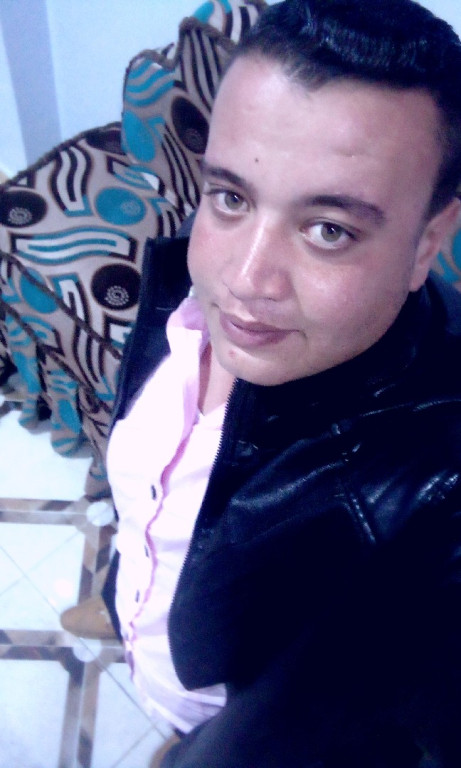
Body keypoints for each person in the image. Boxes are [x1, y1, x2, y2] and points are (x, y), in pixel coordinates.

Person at [66, 0, 461, 765]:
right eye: (231, 197)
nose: (244, 280)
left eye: (328, 230)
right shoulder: (188, 296)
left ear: (428, 242)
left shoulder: (433, 488)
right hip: (163, 615)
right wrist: (130, 598)